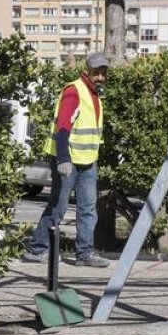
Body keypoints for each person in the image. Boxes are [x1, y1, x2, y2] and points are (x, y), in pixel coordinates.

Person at [23, 52, 111, 268]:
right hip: (68, 161)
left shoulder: (95, 94)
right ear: (87, 72)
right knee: (59, 206)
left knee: (88, 209)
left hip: (88, 161)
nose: (100, 77)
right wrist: (63, 158)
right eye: (96, 73)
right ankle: (37, 249)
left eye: (103, 73)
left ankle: (85, 254)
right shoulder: (74, 91)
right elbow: (63, 126)